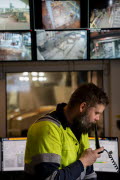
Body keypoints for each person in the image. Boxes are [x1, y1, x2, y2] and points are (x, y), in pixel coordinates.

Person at [24, 83, 109, 180]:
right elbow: (51, 178)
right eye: (96, 113)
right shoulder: (48, 128)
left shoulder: (81, 126)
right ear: (82, 107)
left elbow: (88, 172)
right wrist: (83, 161)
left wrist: (87, 163)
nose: (98, 118)